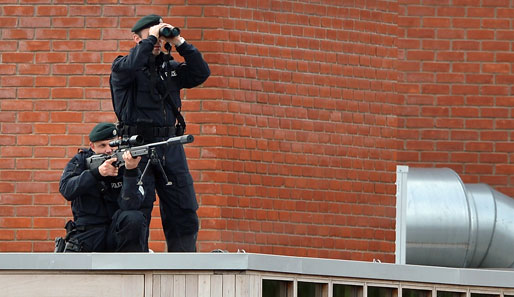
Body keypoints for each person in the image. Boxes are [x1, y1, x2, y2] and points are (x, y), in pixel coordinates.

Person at [109, 14, 210, 252]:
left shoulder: (170, 68)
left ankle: (184, 268)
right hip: (139, 147)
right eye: (150, 35)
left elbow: (201, 73)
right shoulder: (123, 67)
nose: (156, 41)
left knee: (183, 209)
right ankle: (136, 267)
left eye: (158, 35)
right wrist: (151, 39)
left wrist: (180, 42)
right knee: (137, 210)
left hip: (170, 145)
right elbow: (132, 65)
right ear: (137, 38)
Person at [58, 122, 147, 252]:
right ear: (92, 146)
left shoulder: (127, 161)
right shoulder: (81, 160)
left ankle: (129, 269)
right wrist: (96, 173)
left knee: (134, 217)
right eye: (102, 146)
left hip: (116, 233)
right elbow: (66, 189)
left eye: (112, 144)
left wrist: (130, 171)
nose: (108, 150)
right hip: (89, 234)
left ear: (119, 141)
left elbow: (131, 205)